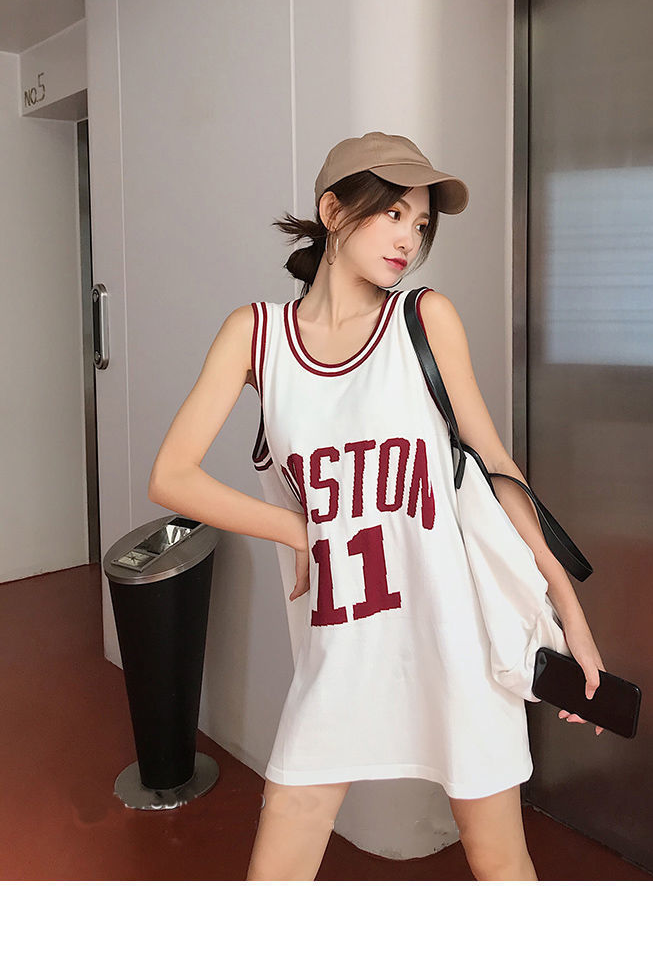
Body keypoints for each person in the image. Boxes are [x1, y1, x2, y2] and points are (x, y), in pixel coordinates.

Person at [148, 131, 606, 882]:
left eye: (420, 224)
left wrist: (568, 611)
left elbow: (497, 469)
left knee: (500, 862)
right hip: (340, 647)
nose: (408, 239)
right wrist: (298, 528)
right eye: (392, 214)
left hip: (454, 640)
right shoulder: (257, 337)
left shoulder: (424, 319)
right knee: (277, 869)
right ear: (334, 211)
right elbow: (172, 476)